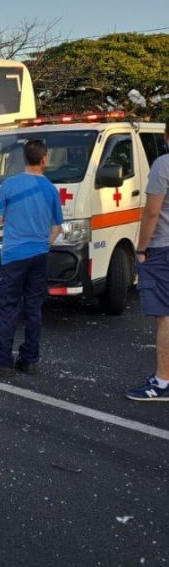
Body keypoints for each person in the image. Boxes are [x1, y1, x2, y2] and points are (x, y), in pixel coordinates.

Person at [0, 139, 63, 378]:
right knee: (33, 308)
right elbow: (57, 228)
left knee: (8, 307)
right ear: (44, 159)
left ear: (24, 158)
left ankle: (2, 361)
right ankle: (29, 360)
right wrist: (45, 244)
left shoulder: (10, 184)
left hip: (14, 256)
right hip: (39, 256)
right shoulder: (51, 189)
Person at [125, 118, 169, 401]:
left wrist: (141, 249)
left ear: (166, 135)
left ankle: (162, 382)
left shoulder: (163, 164)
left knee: (165, 316)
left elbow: (152, 212)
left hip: (163, 248)